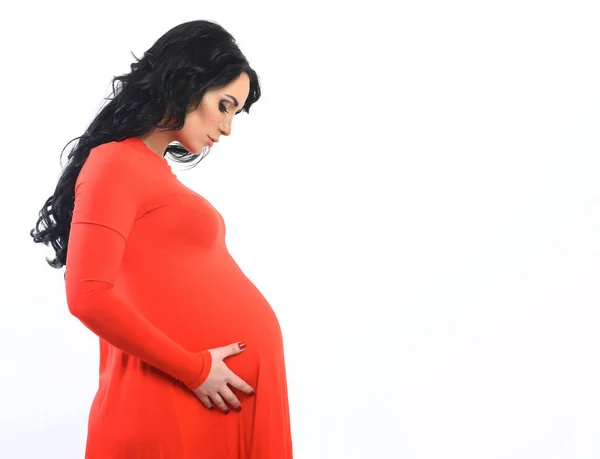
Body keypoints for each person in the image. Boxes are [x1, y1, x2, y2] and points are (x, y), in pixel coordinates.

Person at [29, 19, 293, 458]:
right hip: (185, 392)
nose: (227, 128)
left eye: (235, 113)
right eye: (225, 105)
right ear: (188, 82)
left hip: (215, 394)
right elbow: (88, 295)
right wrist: (195, 370)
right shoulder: (114, 162)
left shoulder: (151, 172)